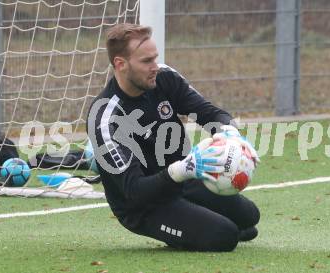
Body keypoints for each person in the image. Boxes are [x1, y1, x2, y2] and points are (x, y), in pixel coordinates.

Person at [87, 23, 260, 252]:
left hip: (184, 178)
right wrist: (182, 170)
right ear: (120, 64)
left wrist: (232, 134)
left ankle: (195, 220)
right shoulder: (105, 118)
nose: (154, 67)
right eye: (146, 61)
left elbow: (210, 113)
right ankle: (188, 226)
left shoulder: (164, 77)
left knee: (249, 216)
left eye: (154, 58)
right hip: (143, 206)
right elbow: (134, 191)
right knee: (225, 236)